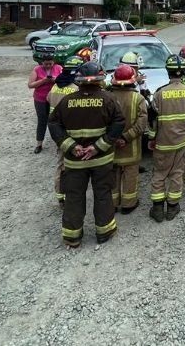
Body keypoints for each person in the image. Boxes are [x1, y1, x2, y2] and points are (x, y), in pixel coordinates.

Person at [48, 61, 125, 248]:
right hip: (101, 160)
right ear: (100, 79)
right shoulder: (109, 99)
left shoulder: (67, 101)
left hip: (74, 162)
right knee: (102, 195)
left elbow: (54, 124)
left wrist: (71, 146)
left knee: (74, 197)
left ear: (79, 81)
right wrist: (98, 146)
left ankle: (72, 237)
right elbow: (119, 123)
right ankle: (104, 232)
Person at [147, 55, 185, 223]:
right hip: (182, 141)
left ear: (167, 72)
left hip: (162, 143)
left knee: (159, 174)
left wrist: (151, 138)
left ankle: (157, 209)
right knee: (177, 174)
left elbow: (152, 121)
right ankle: (172, 207)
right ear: (183, 71)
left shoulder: (159, 93)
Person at [108, 64, 148, 214]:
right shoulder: (138, 98)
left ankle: (112, 203)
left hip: (111, 147)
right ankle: (128, 204)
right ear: (132, 80)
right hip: (131, 148)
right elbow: (141, 124)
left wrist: (113, 138)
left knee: (113, 175)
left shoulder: (108, 97)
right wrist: (126, 137)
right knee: (130, 175)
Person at [47, 55, 83, 204]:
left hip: (57, 131)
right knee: (71, 165)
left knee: (60, 162)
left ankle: (60, 194)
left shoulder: (56, 86)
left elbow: (48, 99)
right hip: (70, 131)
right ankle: (70, 195)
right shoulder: (74, 89)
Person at [28, 53, 63, 153]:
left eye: (50, 64)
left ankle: (59, 143)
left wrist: (54, 79)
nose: (48, 66)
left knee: (56, 121)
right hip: (40, 99)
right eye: (46, 64)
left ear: (54, 62)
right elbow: (30, 85)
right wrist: (43, 80)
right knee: (42, 120)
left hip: (54, 98)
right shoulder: (36, 69)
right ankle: (39, 144)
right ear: (42, 62)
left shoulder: (59, 68)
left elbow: (63, 81)